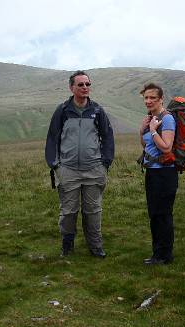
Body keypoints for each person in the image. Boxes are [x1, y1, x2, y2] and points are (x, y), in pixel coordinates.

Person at [45, 70, 114, 258]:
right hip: (68, 170)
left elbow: (107, 137)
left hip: (94, 169)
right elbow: (52, 138)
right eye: (81, 85)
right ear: (72, 87)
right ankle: (67, 246)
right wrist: (55, 165)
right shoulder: (63, 110)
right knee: (68, 212)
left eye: (87, 84)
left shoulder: (97, 111)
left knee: (93, 211)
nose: (85, 88)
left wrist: (105, 163)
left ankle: (95, 246)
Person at [139, 83, 178, 265]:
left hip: (165, 174)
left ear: (161, 99)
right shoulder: (150, 118)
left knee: (163, 214)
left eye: (152, 98)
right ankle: (158, 253)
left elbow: (166, 147)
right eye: (146, 97)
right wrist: (143, 130)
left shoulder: (167, 119)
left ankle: (165, 255)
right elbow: (146, 145)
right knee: (155, 214)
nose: (148, 101)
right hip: (152, 172)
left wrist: (153, 130)